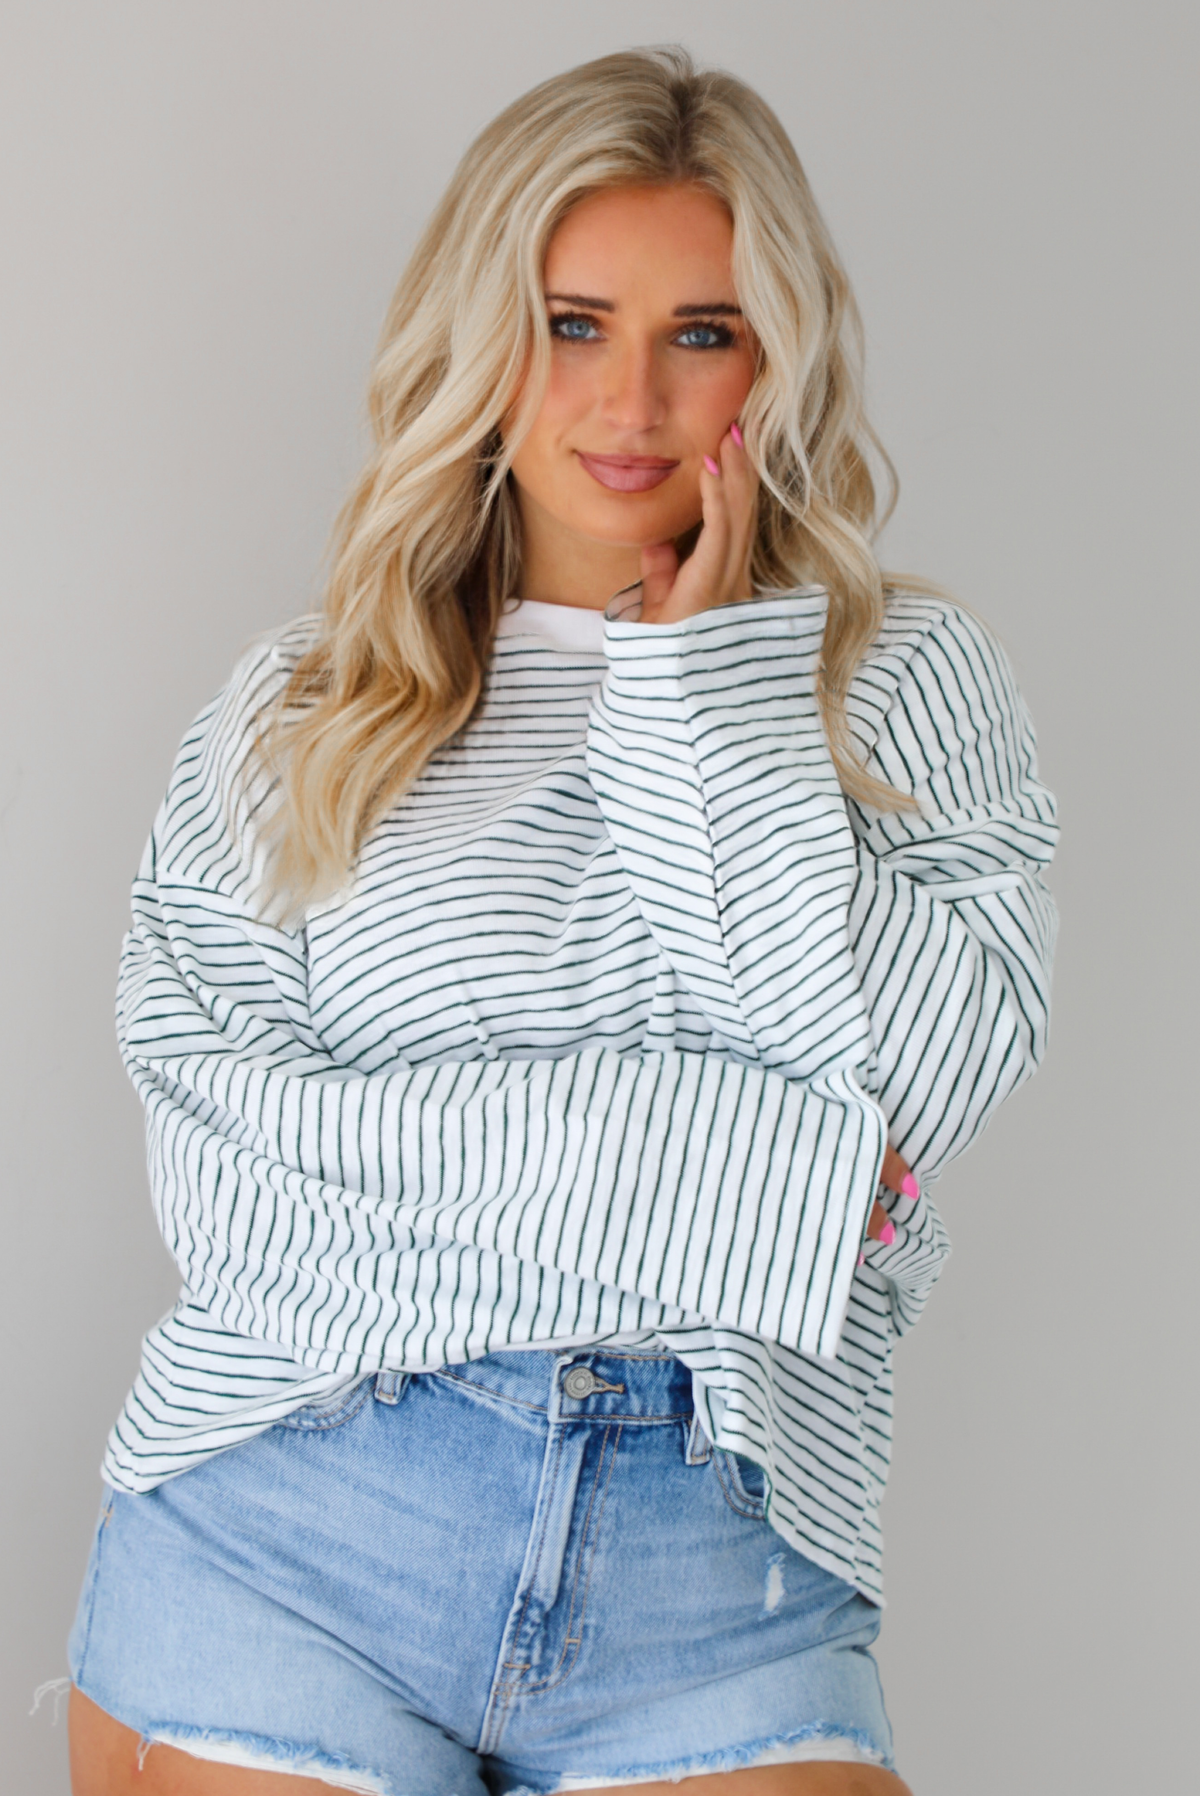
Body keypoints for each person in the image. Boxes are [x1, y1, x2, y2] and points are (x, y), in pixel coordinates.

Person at [66, 46, 1058, 1796]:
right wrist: (760, 1175)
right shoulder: (310, 707)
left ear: (778, 354)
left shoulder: (901, 685)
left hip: (725, 1577)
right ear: (482, 342)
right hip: (295, 1525)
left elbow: (920, 1097)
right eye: (573, 321)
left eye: (702, 332)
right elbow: (226, 1161)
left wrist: (709, 695)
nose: (635, 401)